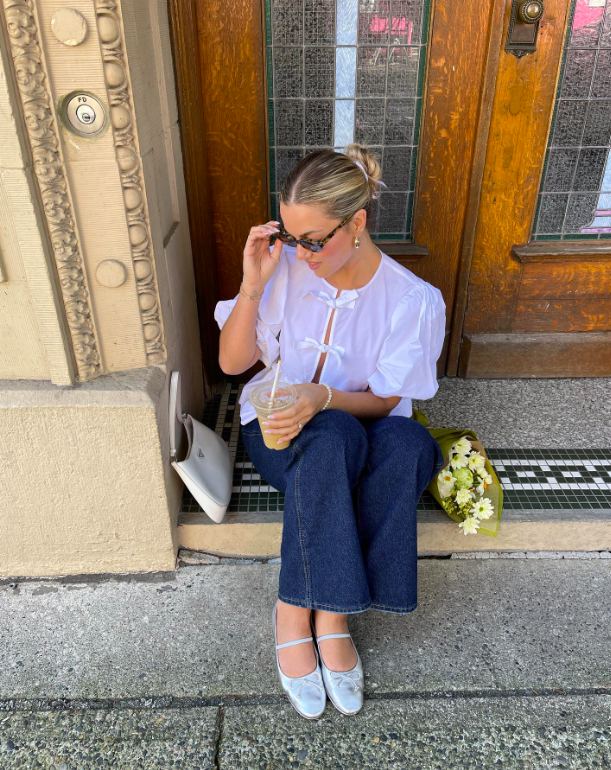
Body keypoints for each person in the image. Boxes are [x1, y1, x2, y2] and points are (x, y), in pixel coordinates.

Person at [214, 144, 447, 719]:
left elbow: (390, 398)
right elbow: (230, 363)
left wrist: (321, 396)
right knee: (330, 440)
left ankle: (332, 613)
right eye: (293, 238)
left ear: (358, 221)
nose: (302, 252)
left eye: (314, 239)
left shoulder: (411, 300)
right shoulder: (286, 271)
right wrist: (253, 284)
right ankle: (297, 612)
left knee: (413, 444)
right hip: (278, 432)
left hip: (355, 423)